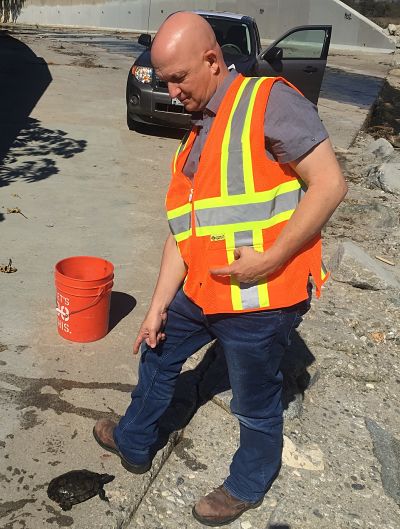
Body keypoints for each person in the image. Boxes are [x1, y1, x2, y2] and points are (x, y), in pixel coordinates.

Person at [94, 12, 347, 526]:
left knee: (255, 401)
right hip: (205, 289)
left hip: (261, 300)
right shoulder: (202, 128)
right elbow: (185, 231)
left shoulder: (269, 102)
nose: (171, 89)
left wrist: (273, 258)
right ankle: (134, 440)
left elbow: (330, 184)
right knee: (157, 354)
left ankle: (248, 482)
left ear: (212, 60)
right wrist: (158, 306)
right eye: (164, 79)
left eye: (179, 77)